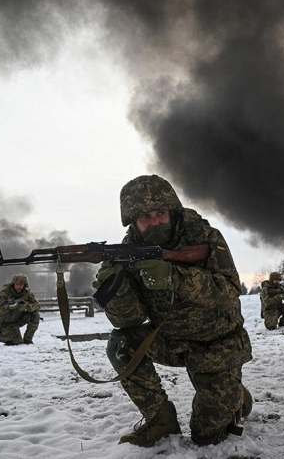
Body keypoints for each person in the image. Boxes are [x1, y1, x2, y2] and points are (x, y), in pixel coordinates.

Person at [92, 175, 253, 448]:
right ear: (133, 222)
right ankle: (160, 420)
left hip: (216, 345)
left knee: (207, 437)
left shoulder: (203, 236)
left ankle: (234, 394)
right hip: (169, 340)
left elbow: (228, 291)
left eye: (160, 213)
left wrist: (174, 277)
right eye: (145, 217)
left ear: (172, 210)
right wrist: (115, 291)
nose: (154, 222)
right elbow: (130, 320)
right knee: (122, 343)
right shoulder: (128, 250)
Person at [0, 273, 41, 346]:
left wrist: (27, 306)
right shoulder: (5, 292)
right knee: (15, 342)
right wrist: (10, 307)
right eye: (17, 284)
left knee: (35, 315)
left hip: (18, 319)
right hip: (4, 321)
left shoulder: (27, 293)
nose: (19, 287)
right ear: (13, 284)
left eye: (21, 285)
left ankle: (27, 340)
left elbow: (37, 305)